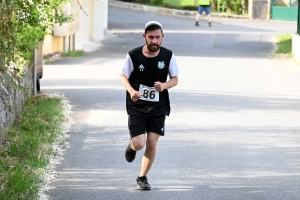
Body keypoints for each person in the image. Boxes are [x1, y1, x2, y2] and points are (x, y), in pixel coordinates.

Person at [120, 21, 179, 190]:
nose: (154, 41)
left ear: (162, 37)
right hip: (137, 104)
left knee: (152, 143)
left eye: (157, 37)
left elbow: (175, 79)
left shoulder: (168, 56)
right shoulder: (133, 55)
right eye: (151, 37)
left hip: (159, 105)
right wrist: (131, 90)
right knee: (139, 144)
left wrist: (164, 86)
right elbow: (123, 75)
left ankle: (142, 177)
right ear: (144, 37)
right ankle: (132, 146)